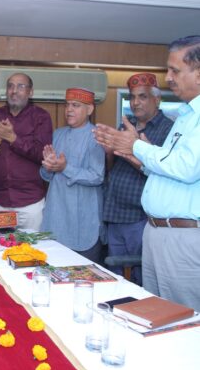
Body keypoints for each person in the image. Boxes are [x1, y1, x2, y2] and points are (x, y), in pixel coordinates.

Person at [94, 35, 200, 311]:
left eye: (175, 70)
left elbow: (187, 167)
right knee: (154, 312)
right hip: (158, 232)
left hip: (182, 236)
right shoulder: (186, 117)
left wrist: (136, 147)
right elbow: (168, 170)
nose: (168, 78)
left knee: (182, 318)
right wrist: (134, 156)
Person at [103, 73, 173, 283]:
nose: (135, 102)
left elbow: (161, 172)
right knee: (116, 278)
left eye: (142, 97)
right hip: (115, 213)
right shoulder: (126, 126)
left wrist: (132, 152)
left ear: (157, 99)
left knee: (143, 279)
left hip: (142, 217)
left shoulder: (168, 129)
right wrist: (109, 153)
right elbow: (112, 169)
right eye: (132, 97)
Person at [40, 88, 105, 262]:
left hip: (82, 221)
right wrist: (48, 166)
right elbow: (47, 177)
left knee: (83, 273)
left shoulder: (96, 136)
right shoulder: (58, 134)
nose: (69, 109)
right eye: (67, 105)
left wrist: (64, 168)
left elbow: (97, 176)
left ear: (89, 110)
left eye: (75, 105)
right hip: (55, 217)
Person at [0, 73, 53, 230]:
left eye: (20, 86)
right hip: (0, 202)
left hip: (31, 204)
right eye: (10, 86)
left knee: (33, 245)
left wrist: (12, 138)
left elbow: (42, 154)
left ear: (30, 92)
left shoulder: (41, 117)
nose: (14, 91)